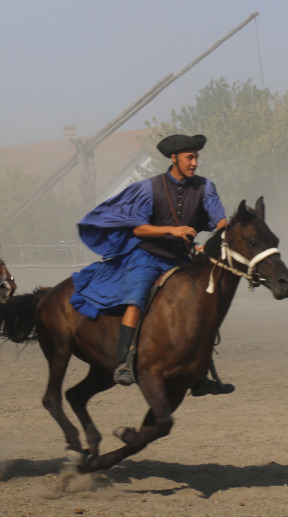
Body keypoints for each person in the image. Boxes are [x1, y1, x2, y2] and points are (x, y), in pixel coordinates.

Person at [69, 134, 234, 393]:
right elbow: (139, 230)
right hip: (147, 257)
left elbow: (220, 221)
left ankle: (202, 375)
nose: (194, 163)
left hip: (180, 260)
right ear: (174, 158)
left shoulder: (205, 188)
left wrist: (222, 233)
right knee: (137, 299)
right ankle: (123, 363)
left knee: (199, 306)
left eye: (196, 158)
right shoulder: (149, 188)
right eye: (189, 158)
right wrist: (174, 231)